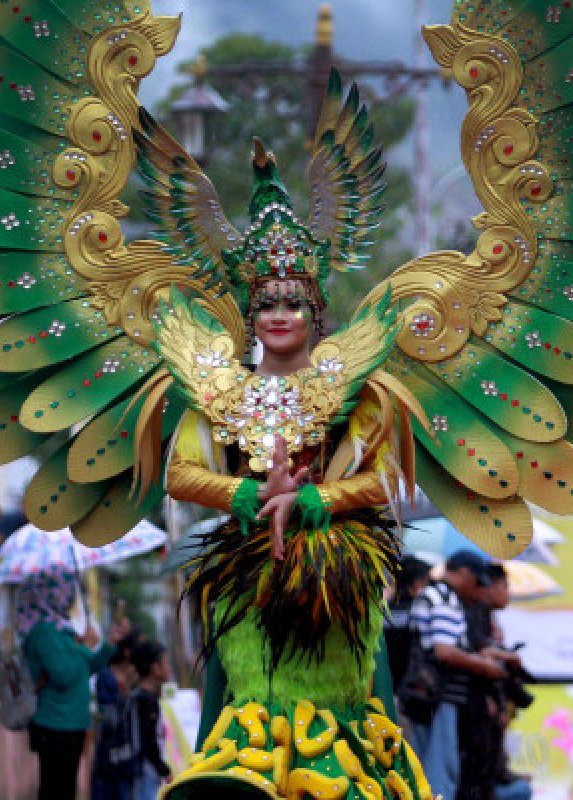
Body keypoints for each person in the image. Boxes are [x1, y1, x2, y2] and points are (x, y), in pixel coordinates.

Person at [164, 147, 434, 797]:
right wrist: (250, 492)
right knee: (252, 705)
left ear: (314, 307)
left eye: (290, 301)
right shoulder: (221, 392)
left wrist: (316, 502)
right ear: (251, 315)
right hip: (246, 577)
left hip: (334, 580)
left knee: (339, 716)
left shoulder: (357, 388)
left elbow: (389, 479)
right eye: (264, 304)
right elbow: (179, 473)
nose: (277, 315)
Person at [19, 568, 129, 800]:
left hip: (73, 724)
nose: (70, 597)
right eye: (66, 590)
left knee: (67, 788)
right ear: (50, 594)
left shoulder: (63, 629)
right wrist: (85, 647)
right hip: (54, 725)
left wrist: (109, 642)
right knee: (55, 789)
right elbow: (64, 674)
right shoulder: (44, 632)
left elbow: (89, 666)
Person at [409, 550, 509, 800]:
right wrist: (484, 666)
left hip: (430, 695)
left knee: (433, 769)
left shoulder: (435, 594)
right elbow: (445, 651)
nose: (478, 592)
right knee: (439, 773)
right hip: (437, 696)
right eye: (477, 583)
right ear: (464, 574)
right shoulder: (444, 598)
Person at [458, 563, 531, 800]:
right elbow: (476, 651)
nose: (507, 593)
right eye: (505, 587)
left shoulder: (487, 615)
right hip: (475, 704)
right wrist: (508, 657)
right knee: (475, 772)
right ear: (488, 587)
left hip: (487, 704)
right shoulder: (473, 610)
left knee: (489, 769)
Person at [92, 627, 142, 800]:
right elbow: (109, 719)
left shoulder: (137, 676)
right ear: (127, 652)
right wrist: (126, 688)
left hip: (131, 756)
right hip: (110, 756)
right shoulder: (106, 676)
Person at [128, 640, 173, 800]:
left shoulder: (136, 696)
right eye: (166, 662)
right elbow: (148, 741)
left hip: (139, 770)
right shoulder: (147, 700)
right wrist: (164, 770)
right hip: (145, 771)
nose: (168, 667)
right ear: (155, 668)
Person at [385, 553, 433, 691]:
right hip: (401, 682)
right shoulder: (418, 608)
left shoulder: (386, 606)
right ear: (417, 583)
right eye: (426, 581)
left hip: (381, 678)